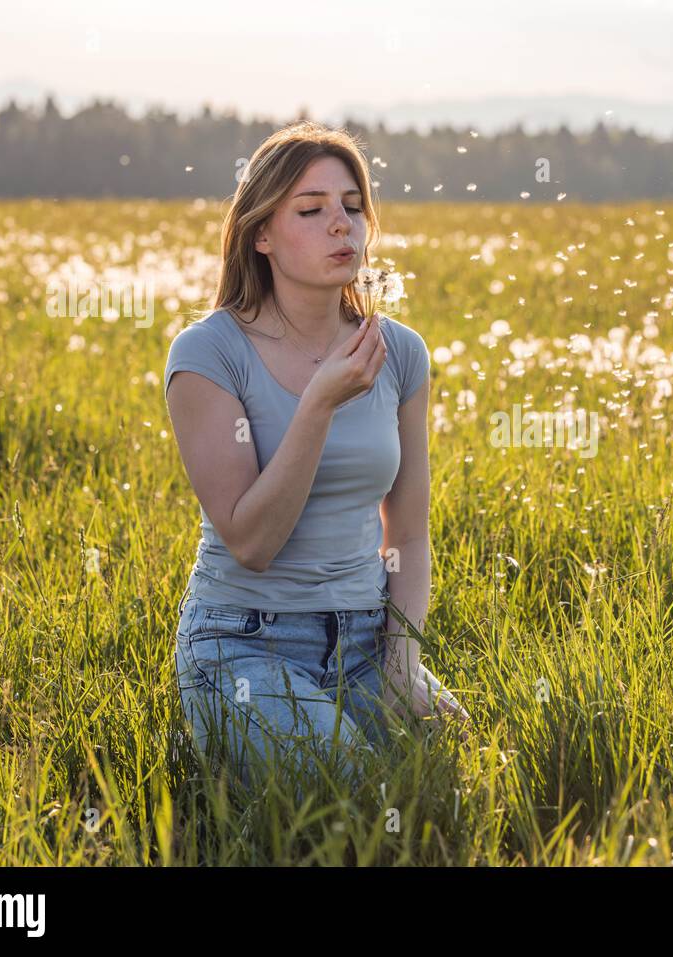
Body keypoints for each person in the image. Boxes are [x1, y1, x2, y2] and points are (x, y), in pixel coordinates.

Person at [163, 121, 468, 791]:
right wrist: (318, 405)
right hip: (244, 641)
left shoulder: (400, 352)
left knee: (452, 772)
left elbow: (408, 533)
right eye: (312, 209)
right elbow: (251, 541)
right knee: (355, 791)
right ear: (261, 234)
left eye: (352, 206)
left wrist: (401, 657)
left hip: (365, 638)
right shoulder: (208, 354)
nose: (342, 225)